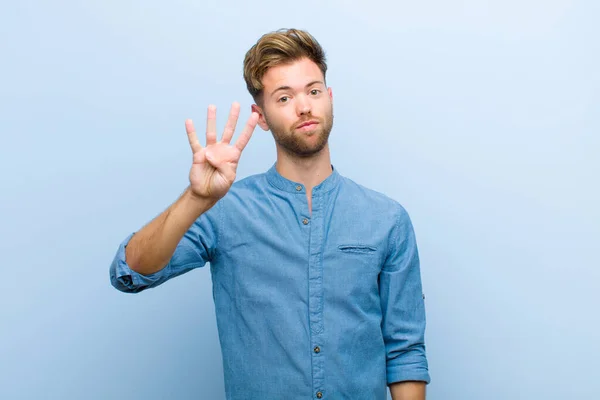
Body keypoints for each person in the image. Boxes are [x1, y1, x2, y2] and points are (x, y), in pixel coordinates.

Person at [110, 28, 430, 400]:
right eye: (284, 97)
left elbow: (405, 352)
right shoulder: (225, 211)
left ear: (329, 98)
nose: (304, 106)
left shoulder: (387, 220)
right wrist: (196, 199)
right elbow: (131, 271)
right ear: (260, 116)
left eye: (313, 91)